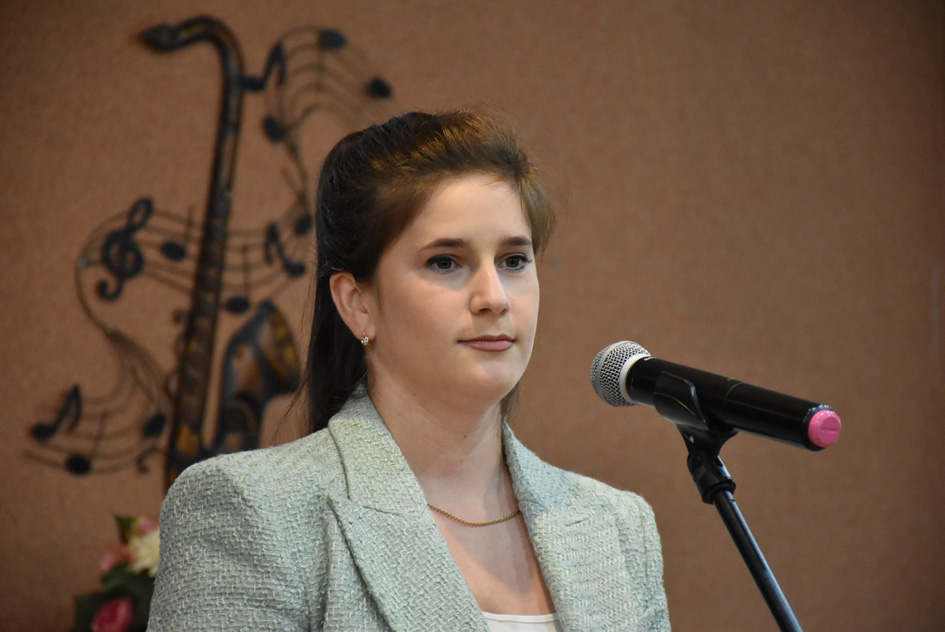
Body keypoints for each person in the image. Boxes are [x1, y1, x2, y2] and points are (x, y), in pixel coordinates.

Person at [147, 110, 670, 631]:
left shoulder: (618, 527)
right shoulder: (252, 508)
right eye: (445, 262)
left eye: (513, 260)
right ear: (357, 303)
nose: (494, 298)